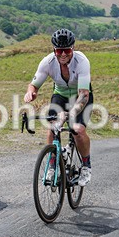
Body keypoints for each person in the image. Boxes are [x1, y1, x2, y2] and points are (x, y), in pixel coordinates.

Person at [24, 29, 93, 186]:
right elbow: (34, 84)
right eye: (59, 51)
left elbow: (84, 95)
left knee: (78, 130)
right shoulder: (47, 62)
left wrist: (71, 113)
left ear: (73, 48)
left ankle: (86, 166)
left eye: (67, 50)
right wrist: (31, 92)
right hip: (60, 95)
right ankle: (52, 164)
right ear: (54, 50)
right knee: (53, 126)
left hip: (80, 95)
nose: (63, 54)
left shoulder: (82, 61)